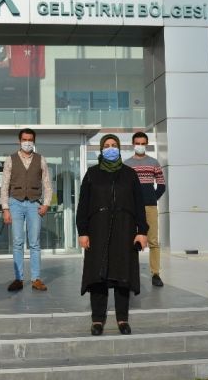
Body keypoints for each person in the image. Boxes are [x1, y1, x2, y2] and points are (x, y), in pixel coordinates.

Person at [76, 134, 148, 336]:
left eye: (114, 145)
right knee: (98, 276)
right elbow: (83, 206)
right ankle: (97, 319)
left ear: (119, 148)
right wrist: (83, 232)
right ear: (101, 149)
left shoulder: (130, 174)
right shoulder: (92, 174)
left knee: (122, 275)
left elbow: (139, 205)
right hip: (97, 230)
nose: (110, 148)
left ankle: (122, 319)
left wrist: (142, 231)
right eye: (106, 145)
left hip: (125, 229)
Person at [1, 128, 53, 292]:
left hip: (34, 203)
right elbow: (4, 185)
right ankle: (18, 279)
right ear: (20, 141)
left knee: (35, 243)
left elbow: (47, 184)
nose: (27, 142)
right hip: (15, 203)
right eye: (24, 139)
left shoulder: (41, 159)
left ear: (34, 141)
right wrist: (5, 208)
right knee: (17, 242)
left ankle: (36, 279)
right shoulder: (10, 159)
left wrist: (46, 204)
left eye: (30, 139)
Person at [124, 131, 166, 287]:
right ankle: (129, 273)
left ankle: (155, 273)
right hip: (131, 207)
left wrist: (152, 197)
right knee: (129, 239)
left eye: (143, 143)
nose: (140, 146)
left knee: (153, 240)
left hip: (150, 206)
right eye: (137, 143)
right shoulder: (126, 164)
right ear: (133, 144)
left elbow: (161, 185)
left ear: (146, 144)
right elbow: (124, 186)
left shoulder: (153, 162)